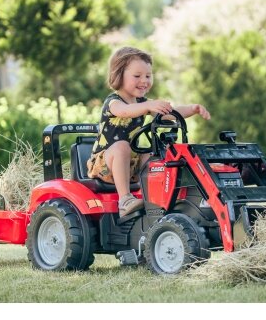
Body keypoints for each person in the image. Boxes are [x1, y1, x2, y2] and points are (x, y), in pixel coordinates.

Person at [87, 46, 211, 218]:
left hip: (131, 162)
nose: (144, 80)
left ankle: (163, 199)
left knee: (158, 156)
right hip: (104, 164)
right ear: (119, 75)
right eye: (137, 76)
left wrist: (192, 109)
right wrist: (148, 106)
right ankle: (125, 200)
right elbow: (125, 111)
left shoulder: (142, 103)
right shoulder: (113, 102)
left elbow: (170, 114)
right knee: (122, 146)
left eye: (148, 75)